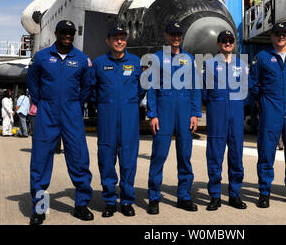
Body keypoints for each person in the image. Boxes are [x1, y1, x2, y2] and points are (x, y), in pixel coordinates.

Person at [27, 20, 93, 225]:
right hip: (47, 111)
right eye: (64, 32)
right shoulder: (41, 57)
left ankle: (81, 204)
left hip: (72, 111)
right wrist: (43, 102)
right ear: (56, 33)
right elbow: (32, 82)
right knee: (40, 159)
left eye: (71, 32)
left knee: (79, 157)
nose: (67, 35)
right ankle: (40, 208)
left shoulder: (82, 59)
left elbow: (87, 86)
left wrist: (73, 103)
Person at [249, 23, 286, 208]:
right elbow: (252, 82)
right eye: (277, 34)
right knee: (267, 149)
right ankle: (264, 192)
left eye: (284, 34)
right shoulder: (262, 57)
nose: (281, 37)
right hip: (270, 106)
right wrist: (262, 100)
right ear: (272, 37)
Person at [146, 21, 202, 215]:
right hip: (164, 111)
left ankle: (184, 197)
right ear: (166, 35)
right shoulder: (157, 58)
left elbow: (195, 87)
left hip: (185, 112)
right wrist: (152, 115)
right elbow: (152, 88)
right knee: (159, 156)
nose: (176, 37)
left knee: (185, 157)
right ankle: (154, 197)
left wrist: (195, 113)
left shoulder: (189, 58)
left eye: (179, 34)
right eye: (172, 34)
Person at [92, 27, 146, 218]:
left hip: (129, 118)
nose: (119, 42)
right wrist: (105, 104)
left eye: (123, 39)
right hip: (107, 119)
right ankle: (108, 201)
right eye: (116, 39)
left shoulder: (135, 62)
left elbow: (141, 90)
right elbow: (92, 90)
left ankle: (126, 201)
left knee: (128, 161)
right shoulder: (99, 63)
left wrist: (128, 103)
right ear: (108, 41)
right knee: (106, 161)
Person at [202, 30, 247, 211]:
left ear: (233, 43)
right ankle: (215, 196)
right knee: (215, 155)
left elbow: (246, 89)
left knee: (236, 155)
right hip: (217, 113)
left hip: (236, 113)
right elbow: (204, 91)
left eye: (230, 40)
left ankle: (234, 194)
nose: (227, 43)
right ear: (218, 43)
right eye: (223, 40)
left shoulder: (241, 64)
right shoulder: (210, 64)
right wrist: (215, 104)